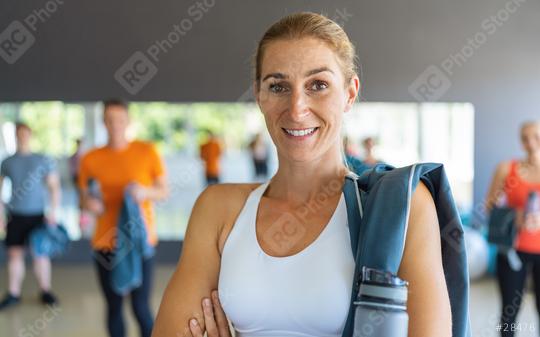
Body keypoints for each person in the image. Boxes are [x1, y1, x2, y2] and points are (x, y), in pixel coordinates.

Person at [152, 12, 451, 337]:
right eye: (278, 86)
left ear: (349, 93)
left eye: (318, 85)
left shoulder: (401, 207)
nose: (296, 108)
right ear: (259, 95)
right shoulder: (219, 209)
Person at [78, 99, 168, 337]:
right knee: (114, 307)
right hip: (106, 243)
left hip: (140, 242)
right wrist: (90, 204)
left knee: (141, 308)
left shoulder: (147, 151)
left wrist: (144, 192)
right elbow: (83, 198)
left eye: (119, 120)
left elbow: (164, 191)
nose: (114, 125)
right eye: (109, 120)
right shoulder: (90, 158)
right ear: (103, 123)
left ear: (128, 121)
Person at [485, 121, 540, 337]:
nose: (531, 142)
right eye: (525, 138)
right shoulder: (507, 168)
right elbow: (489, 205)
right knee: (509, 311)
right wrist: (512, 214)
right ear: (520, 141)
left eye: (536, 136)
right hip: (512, 250)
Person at [0, 122, 61, 310]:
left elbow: (54, 187)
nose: (22, 137)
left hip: (37, 215)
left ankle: (45, 290)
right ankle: (13, 293)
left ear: (30, 135)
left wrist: (53, 211)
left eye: (25, 133)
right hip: (15, 215)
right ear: (16, 136)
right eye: (19, 134)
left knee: (40, 255)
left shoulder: (41, 159)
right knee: (15, 255)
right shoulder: (7, 162)